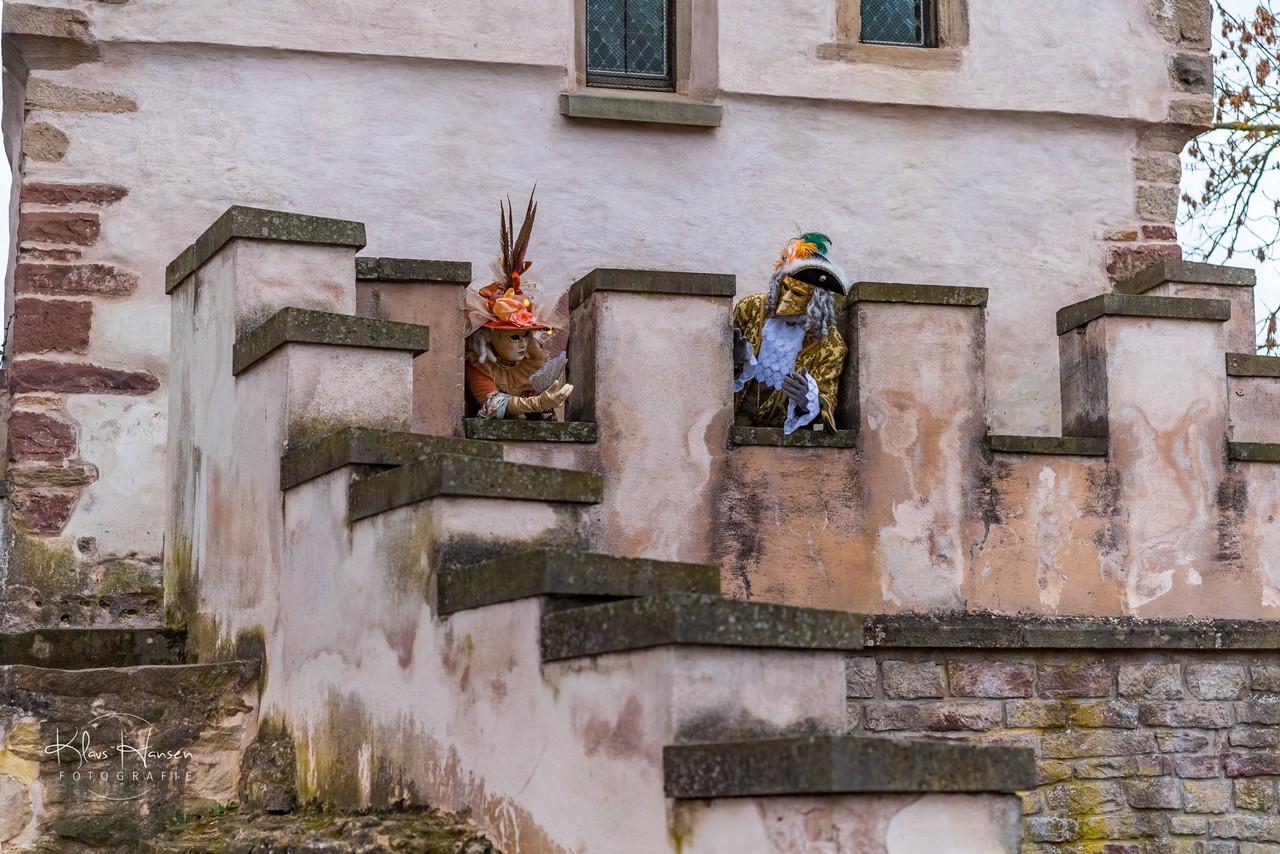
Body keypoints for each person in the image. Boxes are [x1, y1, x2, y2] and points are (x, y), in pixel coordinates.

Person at [464, 190, 571, 419]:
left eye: (526, 335)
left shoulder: (532, 363)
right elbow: (492, 406)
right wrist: (536, 403)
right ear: (491, 336)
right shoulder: (479, 366)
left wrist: (544, 406)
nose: (523, 342)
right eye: (513, 336)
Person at [732, 233, 849, 434]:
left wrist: (808, 401)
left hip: (781, 439)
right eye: (784, 287)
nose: (785, 299)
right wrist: (733, 363)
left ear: (816, 301)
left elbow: (827, 399)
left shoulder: (830, 344)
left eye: (797, 294)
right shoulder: (749, 308)